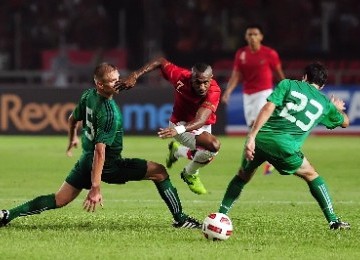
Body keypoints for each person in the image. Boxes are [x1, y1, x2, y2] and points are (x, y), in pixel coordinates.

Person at [0, 62, 201, 229]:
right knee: (159, 171)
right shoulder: (109, 113)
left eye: (118, 78)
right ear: (100, 85)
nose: (118, 83)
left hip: (85, 160)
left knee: (59, 199)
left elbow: (72, 118)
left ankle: (8, 215)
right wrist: (96, 187)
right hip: (108, 165)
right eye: (113, 81)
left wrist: (72, 139)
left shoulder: (88, 95)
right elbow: (100, 151)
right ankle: (180, 219)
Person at [218, 62, 350, 230]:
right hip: (285, 148)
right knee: (312, 175)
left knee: (242, 176)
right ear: (322, 86)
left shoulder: (287, 84)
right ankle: (333, 220)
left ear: (305, 77)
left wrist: (251, 136)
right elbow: (345, 122)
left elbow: (268, 107)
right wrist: (336, 108)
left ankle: (221, 214)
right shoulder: (325, 104)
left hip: (260, 139)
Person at [121, 57, 221, 195]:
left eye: (206, 82)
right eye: (198, 82)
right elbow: (159, 61)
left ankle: (178, 151)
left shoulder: (214, 91)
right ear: (191, 78)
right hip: (179, 123)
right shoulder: (180, 77)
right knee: (213, 146)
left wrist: (177, 130)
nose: (202, 86)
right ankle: (189, 173)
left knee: (207, 155)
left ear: (211, 78)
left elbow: (201, 119)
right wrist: (135, 75)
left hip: (194, 126)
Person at [221, 23, 285, 175]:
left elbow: (278, 72)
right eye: (249, 34)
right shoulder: (241, 53)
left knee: (259, 126)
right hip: (247, 94)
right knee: (252, 126)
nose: (252, 37)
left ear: (261, 37)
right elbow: (236, 74)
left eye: (255, 34)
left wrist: (286, 89)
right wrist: (228, 91)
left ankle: (267, 160)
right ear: (245, 37)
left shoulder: (270, 53)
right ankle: (264, 156)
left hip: (264, 92)